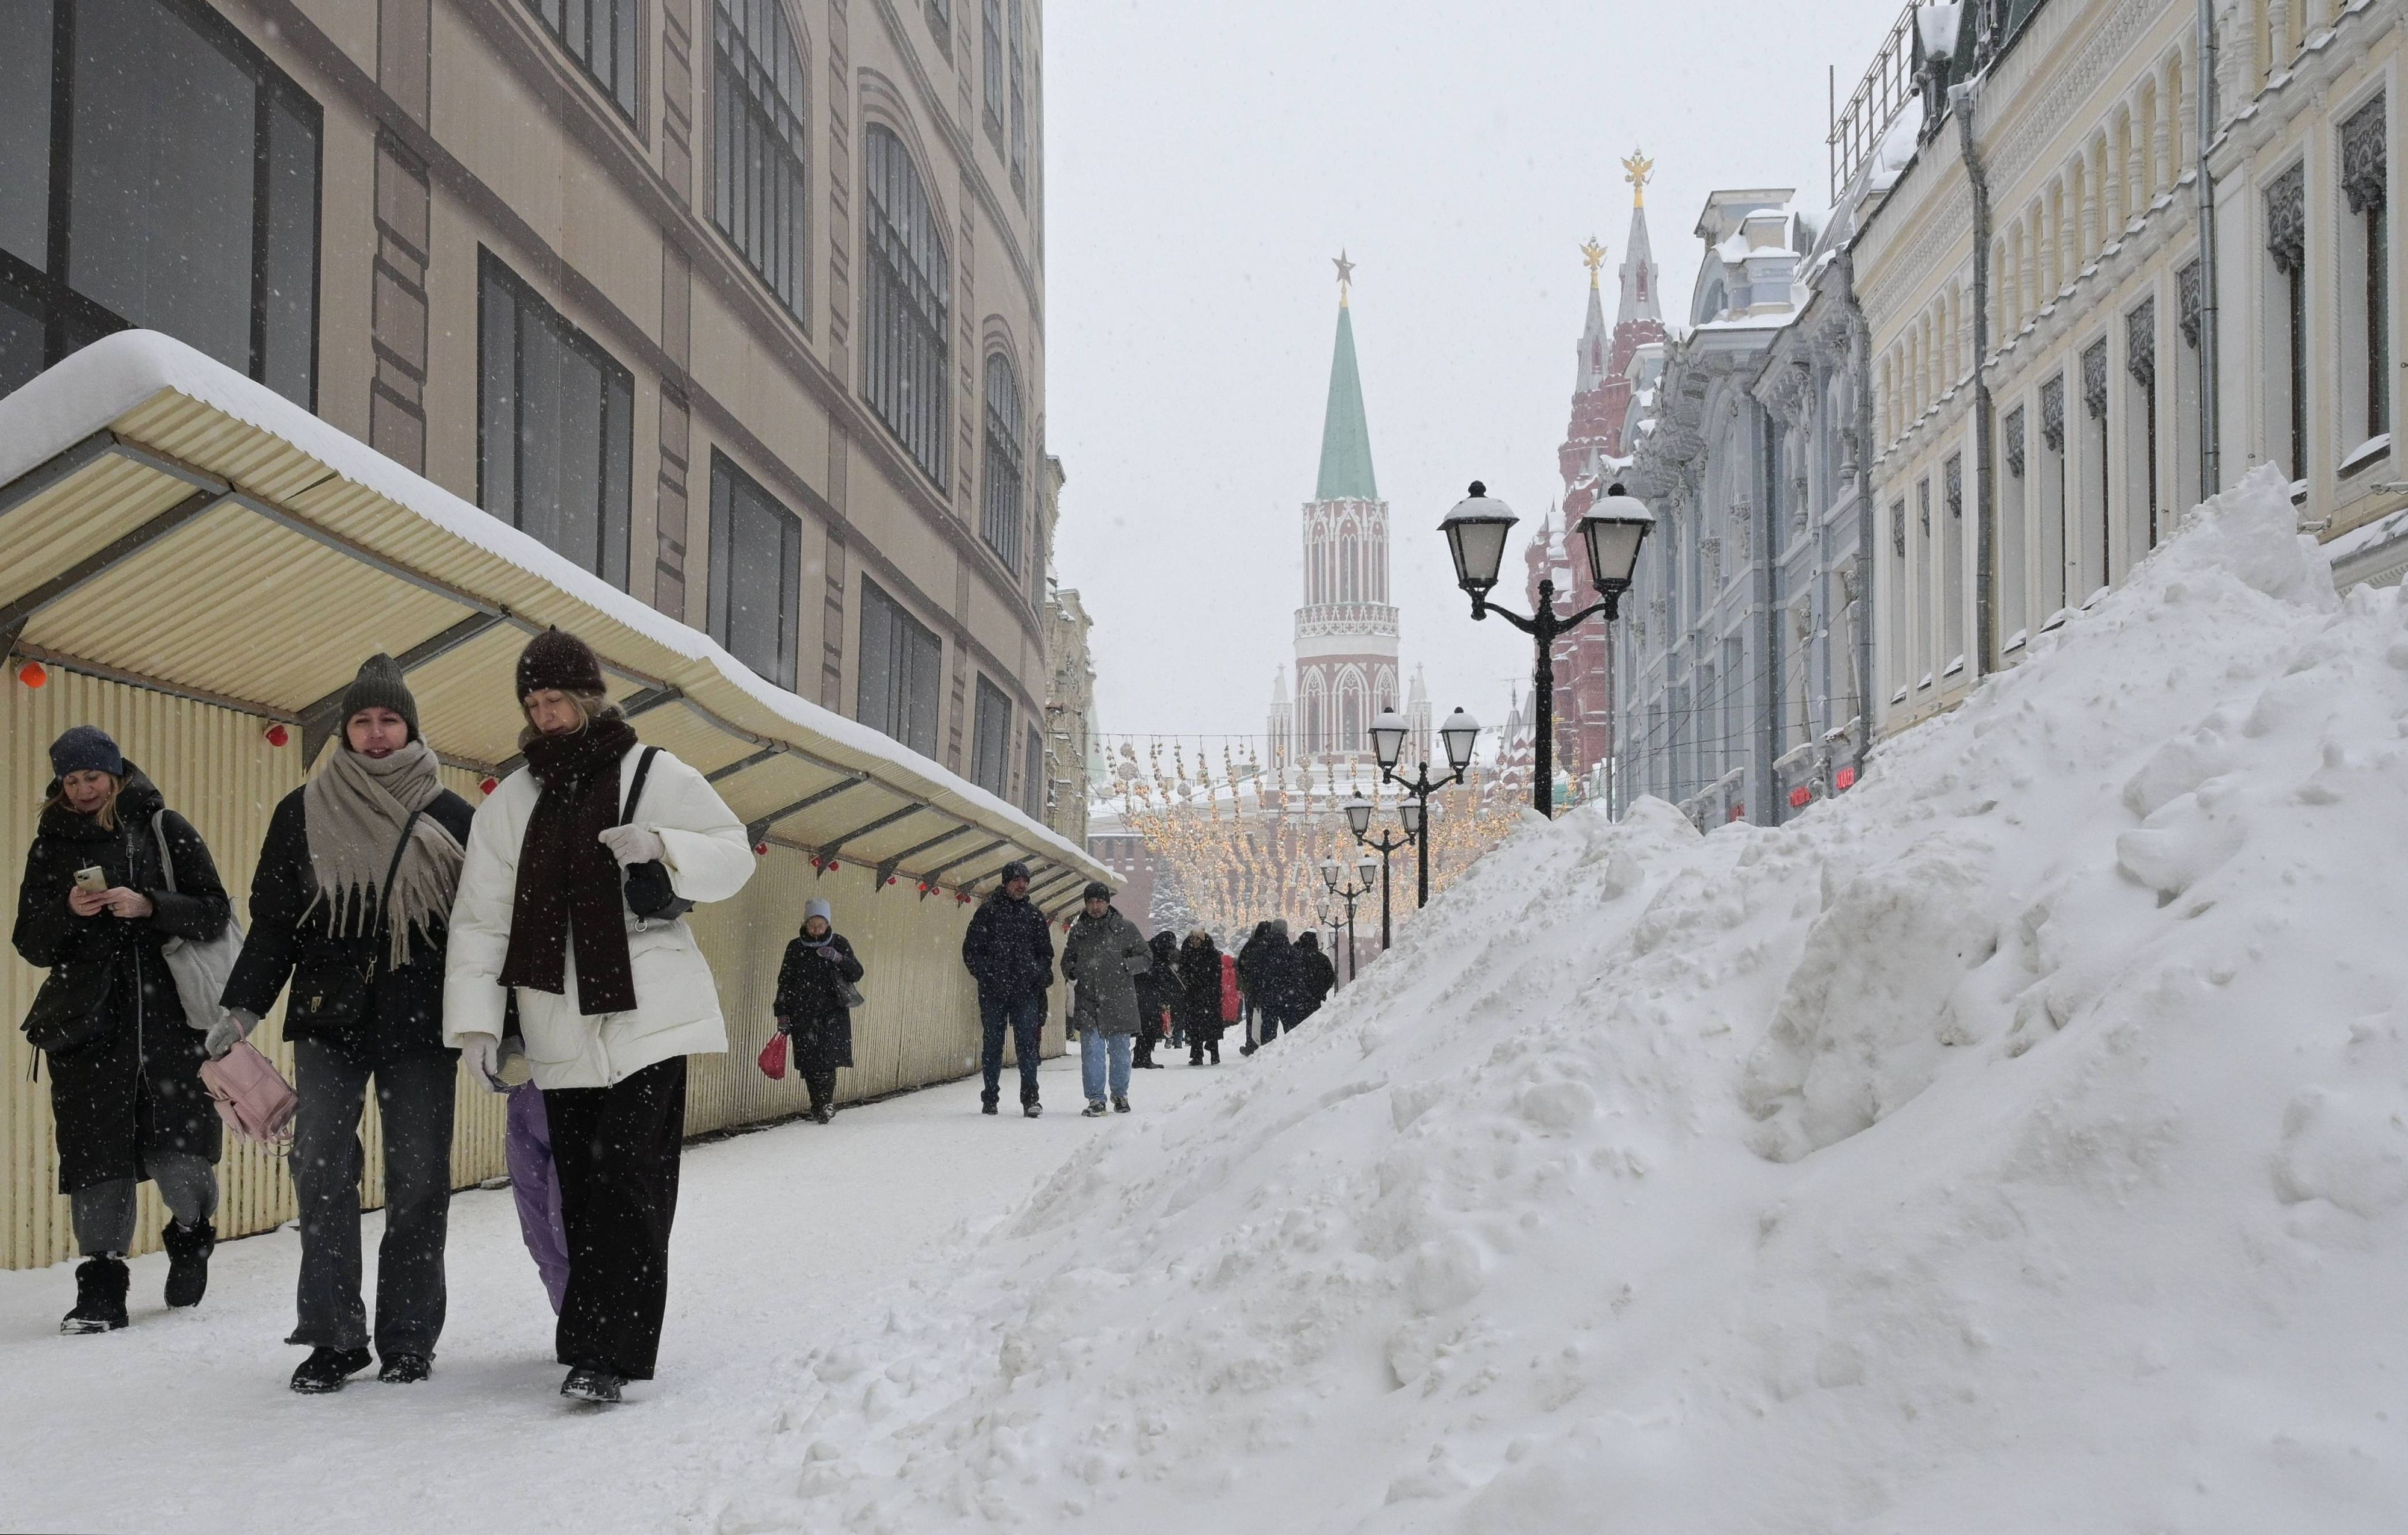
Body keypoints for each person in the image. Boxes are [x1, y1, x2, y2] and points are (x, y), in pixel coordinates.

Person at [444, 628, 754, 1404]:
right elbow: (481, 920)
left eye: (557, 700)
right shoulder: (513, 801)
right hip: (557, 1020)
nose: (545, 715)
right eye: (533, 703)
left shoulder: (652, 773)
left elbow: (734, 853)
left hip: (648, 1015)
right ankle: (586, 1341)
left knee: (633, 1182)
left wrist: (663, 845)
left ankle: (613, 1355)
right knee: (579, 1188)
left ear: (588, 698)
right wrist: (477, 1024)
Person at [215, 656, 473, 1393]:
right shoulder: (301, 810)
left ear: (411, 727)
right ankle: (334, 1337)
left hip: (422, 1024)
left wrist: (500, 1024)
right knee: (321, 1171)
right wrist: (242, 1008)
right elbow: (273, 926)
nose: (376, 733)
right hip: (329, 1019)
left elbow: (481, 932)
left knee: (419, 1179)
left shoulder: (452, 815)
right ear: (345, 730)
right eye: (362, 720)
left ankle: (409, 1338)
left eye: (390, 719)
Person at [13, 727, 231, 1335]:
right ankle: (101, 1287)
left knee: (180, 1159)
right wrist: (66, 912)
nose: (82, 789)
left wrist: (151, 905)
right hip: (87, 1029)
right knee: (96, 1159)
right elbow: (29, 943)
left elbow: (215, 910)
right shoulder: (50, 844)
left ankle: (192, 1235)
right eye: (72, 780)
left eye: (92, 777)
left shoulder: (163, 827)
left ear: (115, 774)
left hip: (169, 1023)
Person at [960, 860, 1055, 1117]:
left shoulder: (1034, 916)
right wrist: (986, 974)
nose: (1022, 885)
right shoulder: (988, 912)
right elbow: (971, 950)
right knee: (993, 1044)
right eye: (1017, 880)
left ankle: (1030, 1098)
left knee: (1027, 1046)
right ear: (1005, 883)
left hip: (1025, 991)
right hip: (995, 991)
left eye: (1025, 881)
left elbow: (1046, 953)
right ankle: (990, 1097)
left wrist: (1036, 974)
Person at [1060, 881, 1149, 1115]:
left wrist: (1125, 966)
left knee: (1120, 1052)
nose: (1095, 906)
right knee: (1092, 1053)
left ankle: (1120, 1095)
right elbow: (1067, 959)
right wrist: (1072, 970)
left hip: (1120, 1000)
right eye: (1090, 902)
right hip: (1089, 1000)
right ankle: (1096, 1099)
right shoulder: (1079, 931)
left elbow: (1146, 957)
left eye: (1099, 901)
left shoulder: (1125, 928)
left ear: (1108, 903)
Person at [774, 898, 863, 1123]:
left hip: (833, 1014)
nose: (816, 930)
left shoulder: (839, 943)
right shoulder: (795, 947)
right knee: (809, 1063)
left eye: (821, 925)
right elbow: (785, 981)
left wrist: (838, 958)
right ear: (805, 924)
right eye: (812, 925)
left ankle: (826, 1104)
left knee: (828, 1060)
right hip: (803, 1013)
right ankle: (818, 1105)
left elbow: (857, 973)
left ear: (828, 924)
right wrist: (782, 1012)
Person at [1177, 928, 1225, 1065]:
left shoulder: (1212, 954)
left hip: (1209, 996)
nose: (1194, 942)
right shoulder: (1188, 953)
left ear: (1202, 940)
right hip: (1193, 994)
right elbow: (1183, 971)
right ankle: (1197, 1055)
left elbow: (1216, 975)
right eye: (1192, 939)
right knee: (1195, 1026)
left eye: (1197, 939)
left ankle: (1214, 1054)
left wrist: (1211, 989)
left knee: (1211, 1026)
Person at [1132, 929, 1178, 1069]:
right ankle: (1143, 1057)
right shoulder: (1153, 955)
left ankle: (1142, 1056)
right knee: (1148, 1028)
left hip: (1147, 995)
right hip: (1147, 996)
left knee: (1148, 1028)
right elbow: (1155, 976)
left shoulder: (1152, 951)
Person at [1254, 919, 1300, 1045]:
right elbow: (1297, 975)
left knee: (1268, 1031)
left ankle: (1266, 1058)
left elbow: (1257, 974)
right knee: (1291, 1032)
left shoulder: (1262, 950)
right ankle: (1291, 1057)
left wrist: (1258, 993)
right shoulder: (1291, 951)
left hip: (1268, 996)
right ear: (1285, 931)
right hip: (1287, 997)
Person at [1234, 920, 1273, 1056]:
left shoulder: (1250, 946)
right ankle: (1268, 1043)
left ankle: (1251, 1045)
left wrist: (1245, 984)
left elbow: (1241, 966)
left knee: (1252, 1018)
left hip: (1252, 989)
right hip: (1269, 988)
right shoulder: (1272, 946)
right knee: (1268, 1017)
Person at [1291, 930, 1338, 1028]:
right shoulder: (1322, 958)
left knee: (1299, 1030)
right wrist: (1322, 990)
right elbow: (1331, 977)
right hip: (1317, 999)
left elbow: (1292, 976)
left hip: (1300, 1000)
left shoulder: (1297, 957)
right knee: (1314, 1027)